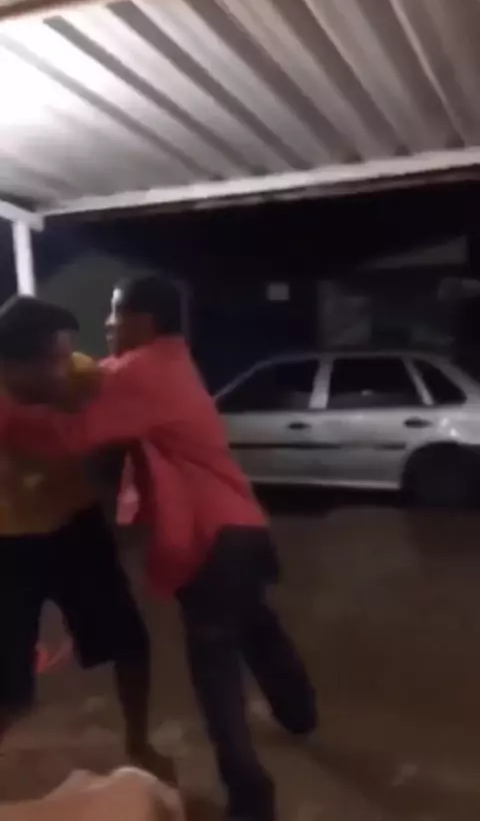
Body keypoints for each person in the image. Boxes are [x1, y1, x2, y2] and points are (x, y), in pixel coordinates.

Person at [0, 277, 317, 821]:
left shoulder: (138, 371)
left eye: (115, 313)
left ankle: (251, 799)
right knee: (256, 625)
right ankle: (299, 711)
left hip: (208, 538)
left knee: (215, 676)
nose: (105, 327)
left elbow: (69, 435)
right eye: (51, 360)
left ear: (143, 321)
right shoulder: (167, 362)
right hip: (237, 528)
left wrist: (12, 415)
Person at [0, 296, 152, 763]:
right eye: (52, 360)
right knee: (7, 682)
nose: (64, 368)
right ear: (11, 365)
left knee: (129, 640)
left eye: (66, 354)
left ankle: (140, 743)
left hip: (75, 523)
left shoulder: (81, 374)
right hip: (9, 540)